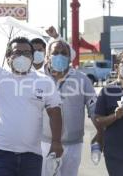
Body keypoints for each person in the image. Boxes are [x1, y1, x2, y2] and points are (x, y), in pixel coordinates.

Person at [0, 17, 63, 176]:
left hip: (32, 154)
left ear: (32, 57)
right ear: (8, 56)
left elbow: (55, 113)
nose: (23, 56)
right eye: (18, 52)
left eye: (27, 53)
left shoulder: (45, 82)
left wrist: (57, 142)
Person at [42, 37, 100, 176]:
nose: (60, 56)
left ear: (70, 58)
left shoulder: (82, 79)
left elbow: (94, 108)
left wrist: (101, 130)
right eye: (55, 52)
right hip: (45, 142)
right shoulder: (39, 79)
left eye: (64, 53)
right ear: (48, 56)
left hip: (73, 144)